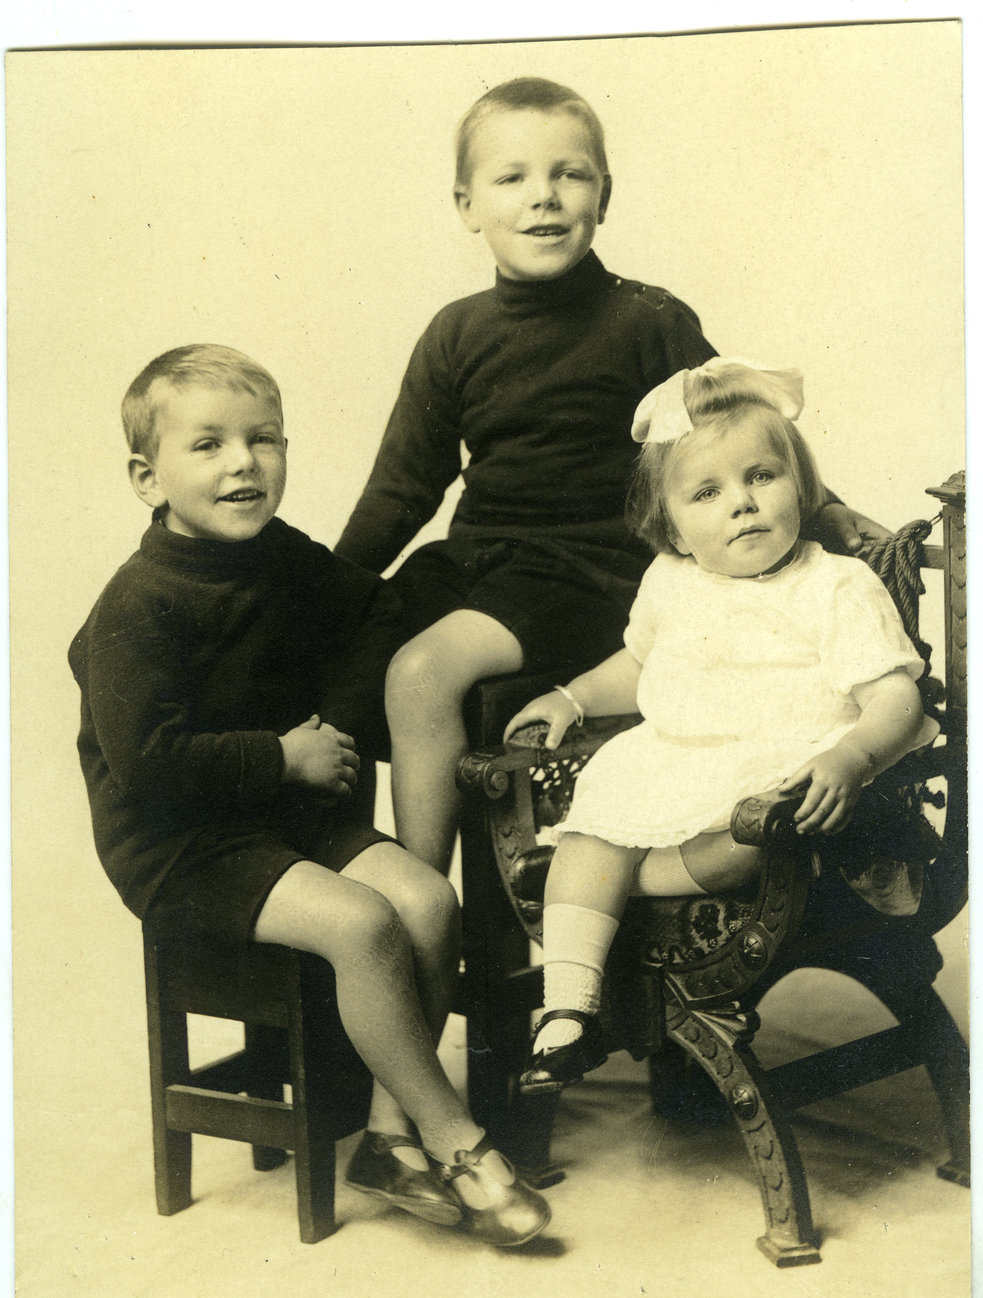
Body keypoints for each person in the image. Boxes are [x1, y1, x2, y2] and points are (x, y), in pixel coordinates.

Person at [334, 76, 887, 877]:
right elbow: (402, 488)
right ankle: (363, 884)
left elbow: (734, 429)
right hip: (478, 561)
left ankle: (424, 899)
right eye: (512, 177)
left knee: (422, 671)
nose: (543, 196)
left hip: (586, 573)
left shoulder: (644, 318)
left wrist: (826, 509)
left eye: (569, 173)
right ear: (466, 204)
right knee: (340, 649)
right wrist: (324, 589)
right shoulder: (455, 332)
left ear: (604, 193)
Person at [68, 344, 550, 1247]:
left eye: (264, 439)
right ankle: (456, 1137)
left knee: (425, 898)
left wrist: (327, 728)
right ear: (146, 479)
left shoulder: (284, 557)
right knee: (363, 924)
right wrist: (280, 757)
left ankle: (388, 1136)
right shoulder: (138, 602)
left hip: (284, 819)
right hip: (183, 847)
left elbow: (377, 615)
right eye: (207, 445)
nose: (243, 463)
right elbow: (147, 767)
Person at [503, 358, 939, 1095]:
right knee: (594, 826)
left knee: (748, 838)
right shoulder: (672, 580)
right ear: (670, 525)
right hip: (673, 762)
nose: (742, 503)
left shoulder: (835, 584)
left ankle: (598, 890)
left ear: (801, 485)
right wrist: (572, 697)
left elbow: (898, 698)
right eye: (707, 492)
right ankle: (568, 1012)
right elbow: (639, 664)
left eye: (761, 476)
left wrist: (853, 757)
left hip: (775, 779)